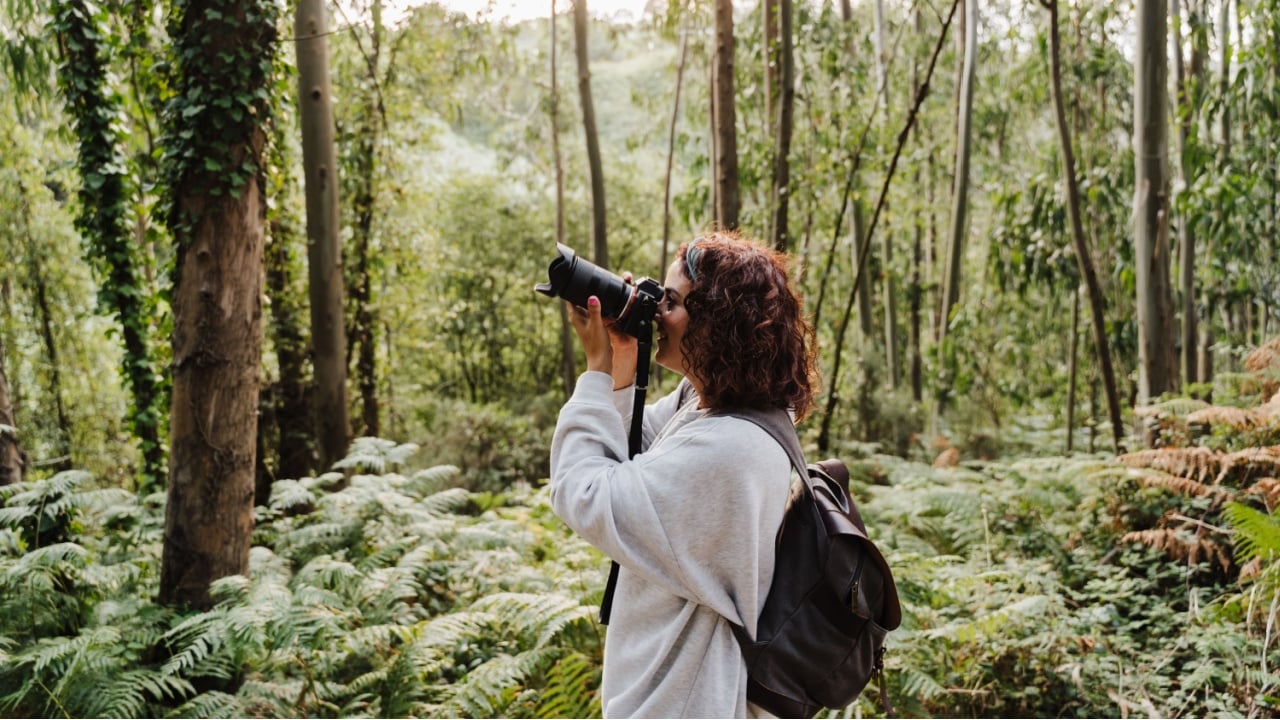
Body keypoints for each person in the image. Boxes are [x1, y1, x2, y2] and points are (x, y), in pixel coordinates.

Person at [549, 231, 819, 718]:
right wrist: (622, 360)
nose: (655, 312)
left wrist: (596, 371)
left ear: (718, 322)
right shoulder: (715, 407)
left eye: (670, 301)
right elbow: (634, 451)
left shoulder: (730, 450)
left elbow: (582, 491)